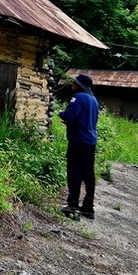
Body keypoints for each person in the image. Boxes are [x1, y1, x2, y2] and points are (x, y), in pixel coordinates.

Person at [59, 73, 99, 219]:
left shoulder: (78, 97)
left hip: (78, 140)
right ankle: (88, 207)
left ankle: (72, 204)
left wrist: (61, 113)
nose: (73, 84)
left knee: (74, 172)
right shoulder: (94, 100)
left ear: (79, 85)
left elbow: (70, 116)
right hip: (90, 141)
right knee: (88, 174)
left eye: (75, 83)